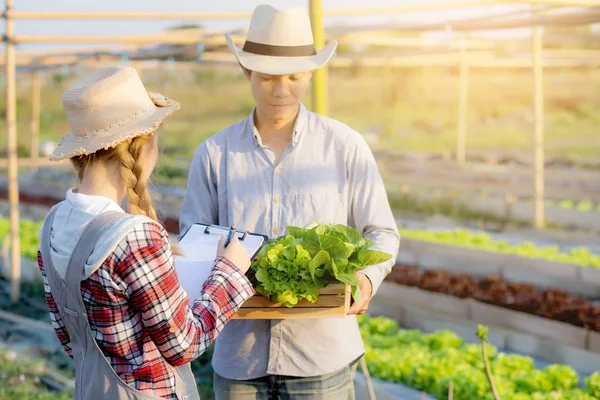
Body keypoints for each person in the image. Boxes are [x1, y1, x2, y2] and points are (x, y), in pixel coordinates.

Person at [180, 4, 400, 399]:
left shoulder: (344, 146)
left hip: (321, 358)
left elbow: (381, 232)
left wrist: (366, 278)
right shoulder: (215, 153)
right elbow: (193, 243)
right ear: (247, 72)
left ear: (311, 74)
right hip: (240, 360)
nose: (281, 91)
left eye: (295, 77)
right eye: (266, 78)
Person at [37, 65, 255, 400]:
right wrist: (230, 270)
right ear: (142, 147)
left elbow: (69, 337)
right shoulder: (135, 237)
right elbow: (185, 343)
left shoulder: (54, 224)